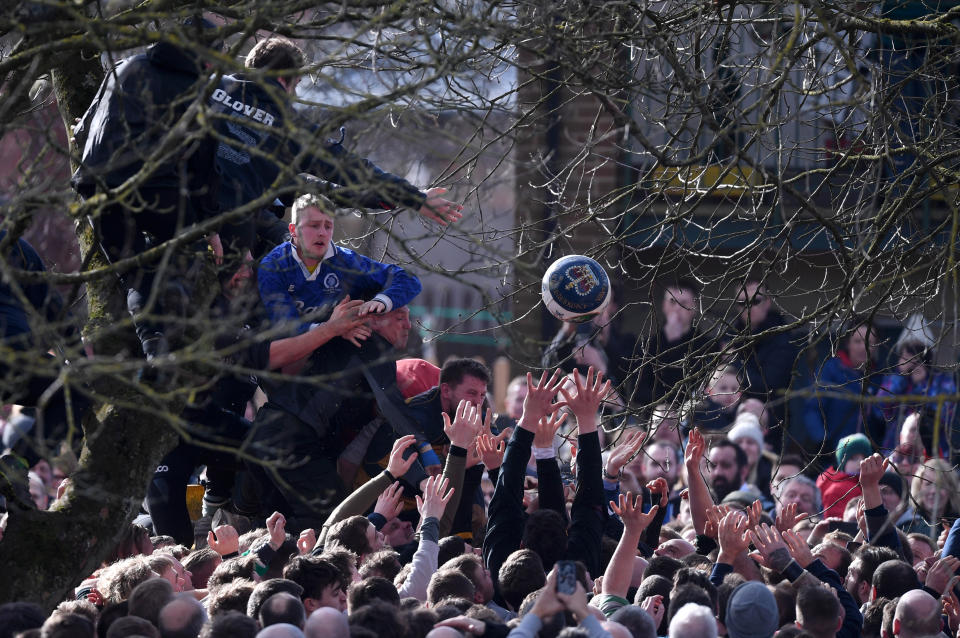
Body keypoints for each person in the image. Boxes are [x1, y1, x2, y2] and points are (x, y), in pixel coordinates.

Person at [209, 35, 462, 261]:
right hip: (231, 235)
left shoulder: (210, 87)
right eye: (296, 84)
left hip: (181, 215)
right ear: (284, 79)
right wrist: (414, 197)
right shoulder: (289, 125)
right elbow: (350, 168)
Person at [71, 18, 223, 363]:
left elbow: (85, 128)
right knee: (188, 251)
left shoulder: (125, 67)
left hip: (98, 186)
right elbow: (204, 168)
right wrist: (211, 228)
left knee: (133, 272)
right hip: (154, 190)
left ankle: (153, 348)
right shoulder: (196, 91)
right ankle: (171, 335)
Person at [634, 279, 717, 407]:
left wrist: (674, 344)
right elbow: (639, 393)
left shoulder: (708, 346)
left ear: (694, 308)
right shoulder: (647, 346)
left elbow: (701, 387)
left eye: (683, 303)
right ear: (663, 306)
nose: (677, 308)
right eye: (672, 302)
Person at [803, 318, 881, 450]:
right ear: (848, 343)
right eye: (858, 341)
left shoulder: (881, 378)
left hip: (868, 458)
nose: (864, 347)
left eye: (869, 342)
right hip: (833, 455)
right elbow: (813, 410)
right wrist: (823, 443)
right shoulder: (830, 371)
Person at [724, 279, 800, 409]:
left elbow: (768, 387)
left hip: (770, 414)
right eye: (742, 303)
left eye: (755, 301)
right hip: (729, 412)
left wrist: (733, 360)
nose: (748, 308)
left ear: (767, 302)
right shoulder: (730, 335)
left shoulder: (781, 337)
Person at [875, 340, 957, 457]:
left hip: (933, 453)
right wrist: (902, 377)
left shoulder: (942, 381)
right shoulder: (894, 380)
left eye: (915, 359)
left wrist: (921, 384)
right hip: (895, 452)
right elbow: (878, 410)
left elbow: (944, 415)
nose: (909, 364)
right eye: (905, 358)